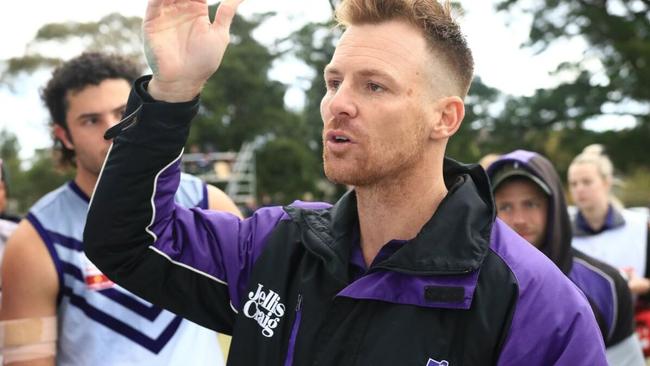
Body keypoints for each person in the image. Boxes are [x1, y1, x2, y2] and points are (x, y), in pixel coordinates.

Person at [83, 0, 607, 365]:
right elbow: (126, 242)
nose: (338, 104)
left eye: (374, 86)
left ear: (445, 118)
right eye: (334, 82)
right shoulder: (274, 244)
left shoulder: (537, 305)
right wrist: (172, 91)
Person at [0, 52, 242, 365]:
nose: (114, 129)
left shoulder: (208, 203)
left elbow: (261, 325)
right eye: (91, 120)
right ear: (64, 136)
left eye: (123, 111)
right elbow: (26, 359)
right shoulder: (35, 239)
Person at [487, 149, 644, 365]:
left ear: (553, 206)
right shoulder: (473, 285)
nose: (519, 219)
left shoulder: (606, 285)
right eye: (505, 206)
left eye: (530, 204)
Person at [568, 144, 650, 355]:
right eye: (574, 183)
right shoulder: (562, 232)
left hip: (632, 332)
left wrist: (641, 286)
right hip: (582, 334)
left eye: (587, 182)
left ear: (606, 183)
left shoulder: (641, 226)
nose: (579, 189)